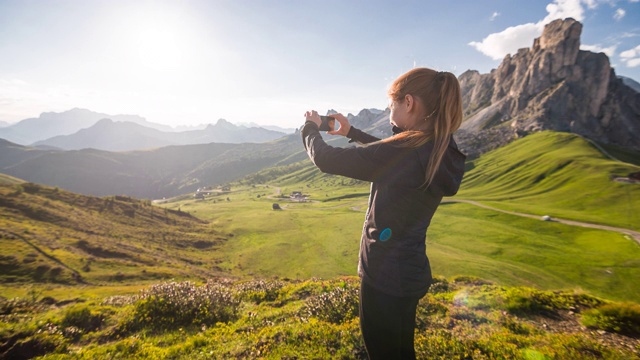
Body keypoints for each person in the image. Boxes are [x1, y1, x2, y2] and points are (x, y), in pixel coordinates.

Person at [301, 67, 466, 359]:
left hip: (384, 275)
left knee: (383, 353)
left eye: (392, 102)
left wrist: (310, 128)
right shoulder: (439, 145)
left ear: (409, 103)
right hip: (408, 271)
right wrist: (352, 132)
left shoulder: (407, 150)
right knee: (400, 351)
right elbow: (392, 156)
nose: (390, 108)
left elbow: (325, 159)